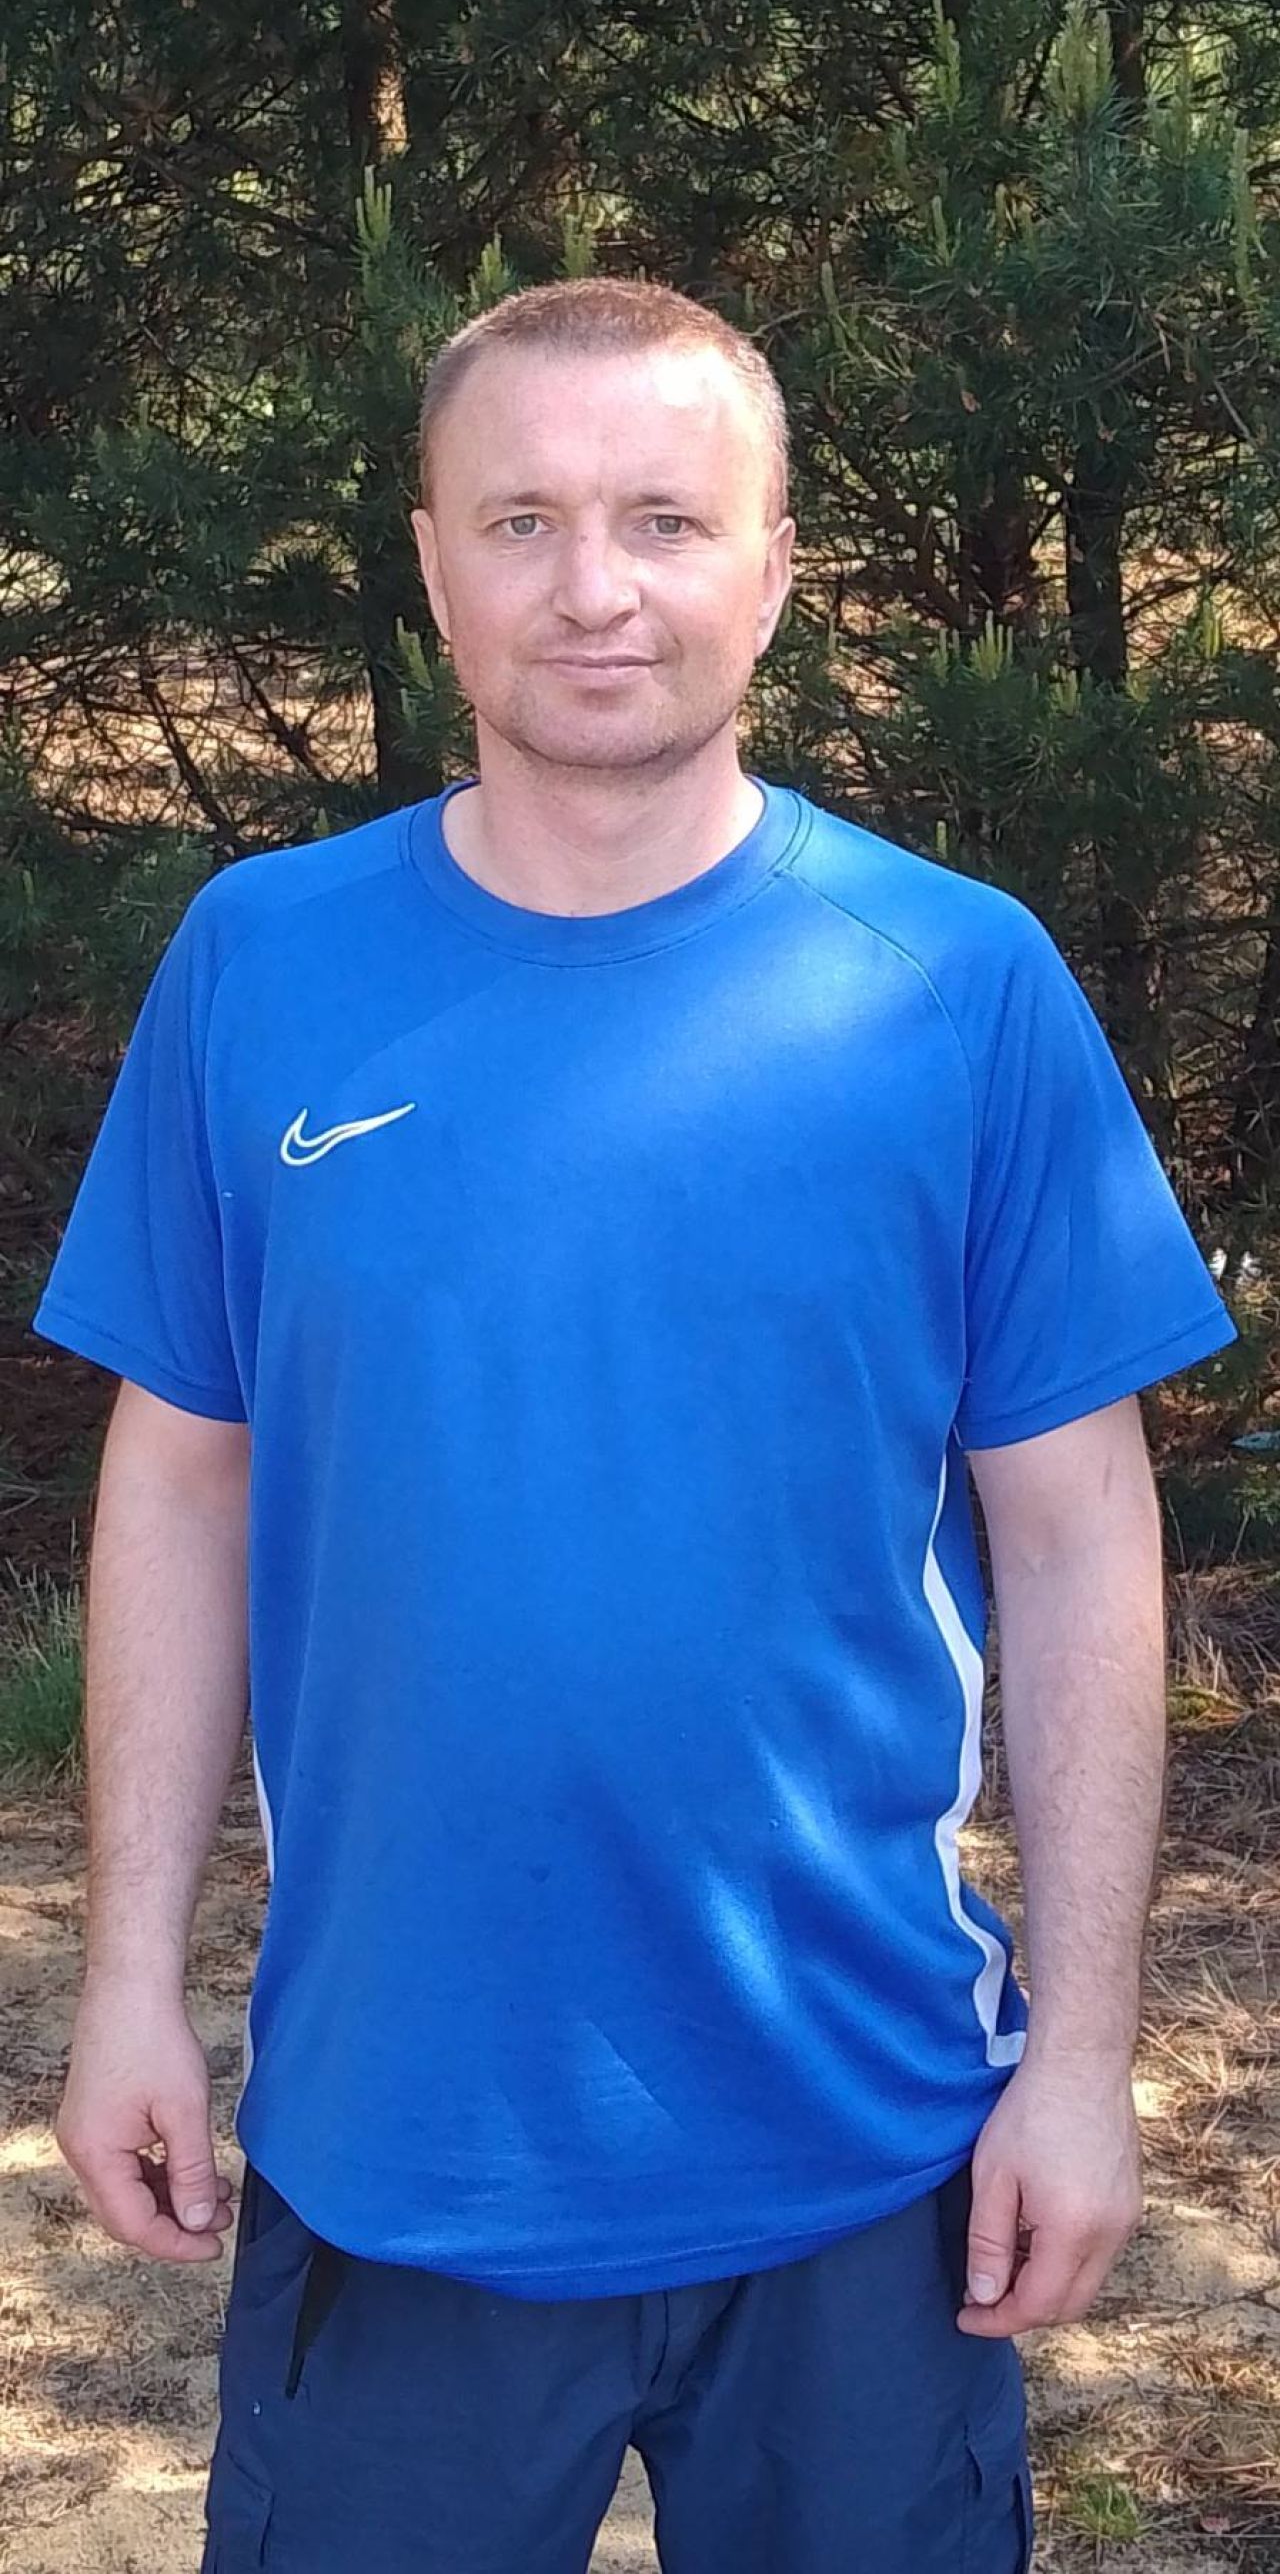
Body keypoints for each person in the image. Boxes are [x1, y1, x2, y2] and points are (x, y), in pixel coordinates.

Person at [33, 276, 1237, 2574]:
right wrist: (123, 1985)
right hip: (402, 2139)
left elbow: (1080, 1533)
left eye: (666, 518)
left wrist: (1081, 2060)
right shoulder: (260, 959)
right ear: (431, 564)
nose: (594, 585)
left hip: (861, 2142)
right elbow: (179, 1479)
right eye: (525, 518)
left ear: (772, 569)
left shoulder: (956, 982)